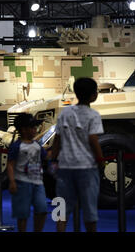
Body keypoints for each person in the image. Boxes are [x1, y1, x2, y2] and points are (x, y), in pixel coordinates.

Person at [51, 77, 104, 232]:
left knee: (61, 209)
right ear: (94, 95)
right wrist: (101, 160)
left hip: (65, 166)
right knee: (90, 209)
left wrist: (53, 160)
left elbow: (57, 138)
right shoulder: (93, 115)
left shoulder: (65, 113)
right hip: (87, 167)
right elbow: (93, 139)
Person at [7, 113, 48, 232]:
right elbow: (10, 164)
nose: (35, 130)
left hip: (38, 183)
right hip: (22, 183)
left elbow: (46, 157)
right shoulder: (17, 146)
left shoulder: (37, 145)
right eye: (32, 128)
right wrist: (12, 181)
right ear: (24, 130)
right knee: (22, 214)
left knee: (42, 209)